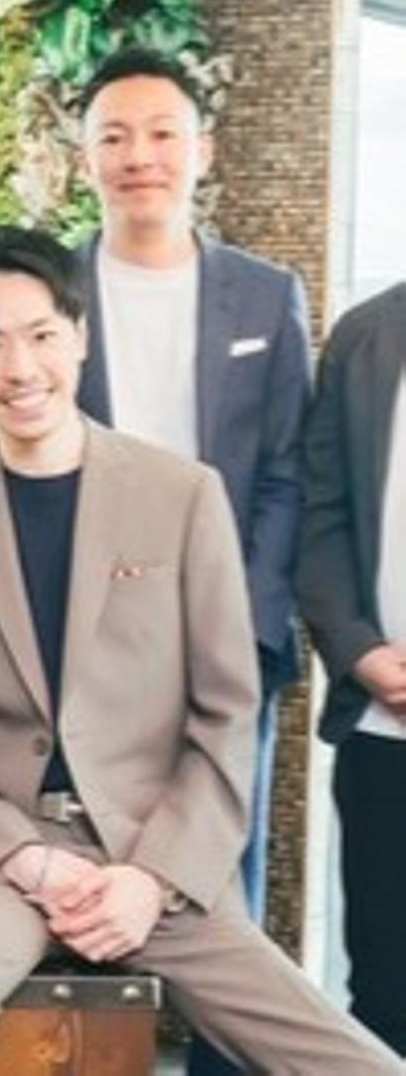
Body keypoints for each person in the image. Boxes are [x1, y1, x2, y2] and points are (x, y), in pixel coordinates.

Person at [0, 226, 397, 1074]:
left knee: (348, 1060)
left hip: (154, 845)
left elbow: (226, 710)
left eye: (42, 335)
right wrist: (29, 859)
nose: (20, 367)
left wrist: (151, 878)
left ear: (80, 336)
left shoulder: (183, 494)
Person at [71, 47, 308, 937]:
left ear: (202, 150)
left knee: (218, 886)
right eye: (115, 137)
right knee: (87, 884)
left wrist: (245, 629)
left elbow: (287, 473)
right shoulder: (50, 292)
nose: (140, 156)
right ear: (84, 157)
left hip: (224, 638)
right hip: (81, 642)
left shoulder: (266, 297)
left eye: (162, 134)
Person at [297, 280, 406, 1056]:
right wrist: (358, 649)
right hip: (383, 722)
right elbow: (321, 509)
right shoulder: (366, 335)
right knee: (385, 980)